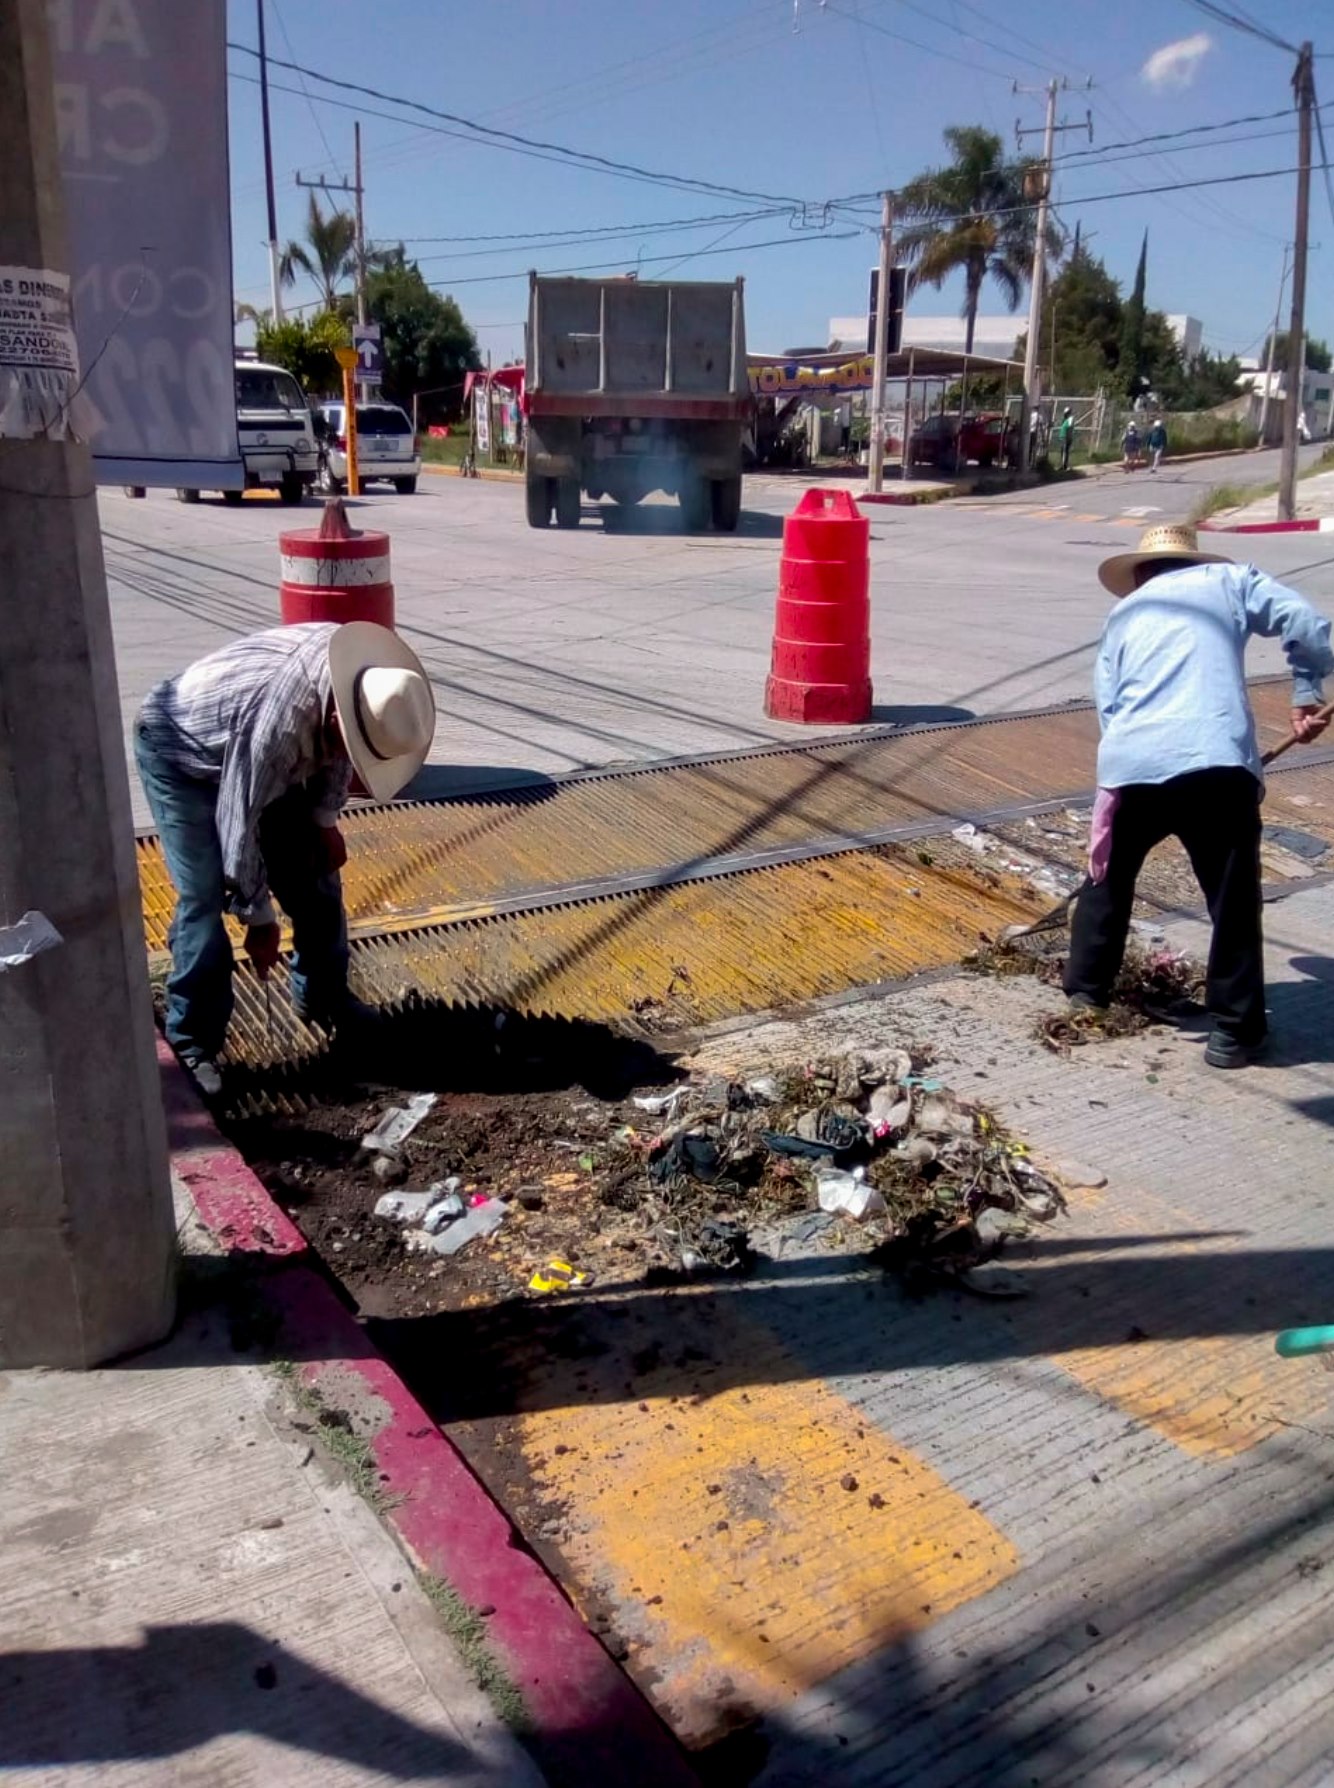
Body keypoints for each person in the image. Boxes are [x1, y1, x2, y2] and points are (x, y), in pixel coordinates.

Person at [1064, 523, 1334, 1069]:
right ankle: (1235, 1033)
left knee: (1108, 877)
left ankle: (1087, 991)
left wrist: (1136, 760)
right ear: (1194, 562)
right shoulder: (1231, 582)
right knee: (1232, 900)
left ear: (1141, 573)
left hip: (1131, 763)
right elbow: (1306, 623)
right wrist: (1306, 691)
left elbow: (1108, 703)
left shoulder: (1123, 614)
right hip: (1215, 764)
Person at [135, 621, 435, 1096]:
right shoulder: (281, 725)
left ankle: (325, 999)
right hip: (180, 752)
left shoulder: (364, 684)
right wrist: (259, 918)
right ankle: (192, 1041)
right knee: (204, 897)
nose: (346, 752)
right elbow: (239, 822)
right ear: (335, 720)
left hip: (251, 755)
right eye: (346, 741)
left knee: (317, 874)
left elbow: (341, 753)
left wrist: (324, 821)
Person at [1057, 406, 1075, 471]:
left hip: (1066, 437)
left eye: (1067, 413)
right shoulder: (1065, 419)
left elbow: (1069, 427)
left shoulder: (1070, 419)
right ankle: (1062, 465)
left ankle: (1065, 466)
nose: (1065, 414)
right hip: (1063, 437)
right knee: (1063, 451)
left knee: (1065, 451)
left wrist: (1068, 437)